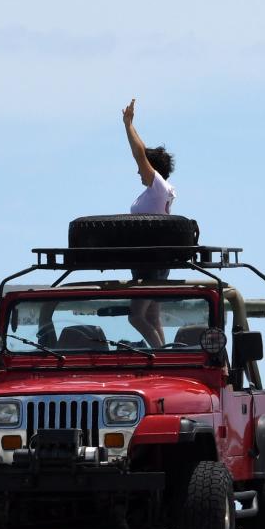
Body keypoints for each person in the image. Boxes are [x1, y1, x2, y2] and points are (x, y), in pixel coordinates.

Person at [122, 99, 177, 349]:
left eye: (141, 168)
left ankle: (160, 356)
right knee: (152, 315)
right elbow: (142, 156)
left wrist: (128, 124)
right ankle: (164, 354)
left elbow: (139, 153)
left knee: (136, 316)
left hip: (150, 263)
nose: (137, 172)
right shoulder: (159, 191)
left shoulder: (158, 189)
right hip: (151, 260)